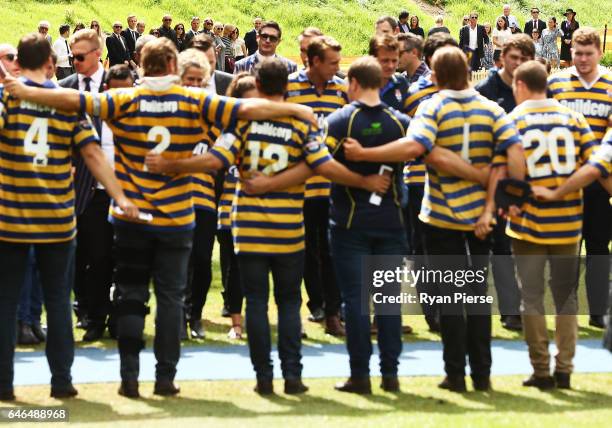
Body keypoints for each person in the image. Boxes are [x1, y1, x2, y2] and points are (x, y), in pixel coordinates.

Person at [6, 37, 321, 399]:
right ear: (173, 65)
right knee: (171, 300)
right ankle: (165, 378)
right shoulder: (194, 98)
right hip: (175, 216)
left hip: (131, 216)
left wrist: (23, 89)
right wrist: (296, 111)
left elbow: (74, 99)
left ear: (141, 62)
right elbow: (245, 111)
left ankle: (128, 380)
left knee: (130, 295)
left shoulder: (123, 98)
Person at [143, 57, 391, 396]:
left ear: (257, 85)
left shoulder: (243, 124)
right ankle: (293, 376)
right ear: (286, 86)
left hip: (248, 226)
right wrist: (363, 182)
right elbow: (323, 165)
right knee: (289, 302)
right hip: (288, 227)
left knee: (256, 304)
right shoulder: (301, 124)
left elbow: (214, 160)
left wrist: (171, 165)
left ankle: (263, 378)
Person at [342, 47, 524, 393]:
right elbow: (515, 155)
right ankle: (482, 374)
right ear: (468, 70)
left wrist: (366, 154)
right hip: (481, 218)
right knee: (477, 295)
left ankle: (455, 374)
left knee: (452, 299)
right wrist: (503, 200)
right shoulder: (493, 110)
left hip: (442, 216)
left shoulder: (433, 107)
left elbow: (414, 147)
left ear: (436, 77)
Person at [0, 33, 138, 402]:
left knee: (6, 301)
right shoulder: (66, 103)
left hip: (11, 217)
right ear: (50, 60)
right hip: (57, 218)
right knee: (59, 302)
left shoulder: (9, 99)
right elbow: (92, 154)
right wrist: (121, 196)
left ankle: (4, 385)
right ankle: (61, 381)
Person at [507, 60, 603, 390]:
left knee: (530, 297)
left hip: (528, 221)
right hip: (568, 221)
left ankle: (541, 369)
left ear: (520, 85)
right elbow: (594, 165)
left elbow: (505, 171)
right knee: (566, 298)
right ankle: (565, 368)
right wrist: (563, 189)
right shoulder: (574, 118)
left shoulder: (513, 120)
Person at [548, 28, 612, 328]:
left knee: (598, 247)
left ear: (599, 52)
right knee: (565, 248)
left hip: (599, 182)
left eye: (589, 53)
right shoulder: (556, 83)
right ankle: (565, 306)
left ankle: (598, 310)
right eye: (578, 53)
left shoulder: (611, 85)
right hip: (564, 180)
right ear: (570, 52)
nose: (583, 59)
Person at [285, 36, 348, 336]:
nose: (338, 67)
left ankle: (334, 312)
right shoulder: (289, 87)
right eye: (333, 62)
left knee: (333, 251)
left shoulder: (342, 90)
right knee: (305, 251)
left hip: (334, 186)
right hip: (298, 187)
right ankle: (315, 306)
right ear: (314, 61)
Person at [475, 34, 535, 331]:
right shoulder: (485, 90)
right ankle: (487, 311)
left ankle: (514, 309)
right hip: (488, 182)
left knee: (515, 250)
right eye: (515, 58)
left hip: (525, 183)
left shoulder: (538, 91)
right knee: (487, 250)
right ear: (502, 58)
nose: (519, 64)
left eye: (525, 59)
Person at [402, 33, 460, 333]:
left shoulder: (464, 92)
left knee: (444, 251)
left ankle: (448, 308)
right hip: (420, 180)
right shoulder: (414, 94)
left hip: (451, 180)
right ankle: (433, 310)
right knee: (425, 251)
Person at [216, 73, 258, 339]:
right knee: (234, 271)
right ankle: (236, 323)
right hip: (229, 212)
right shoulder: (224, 132)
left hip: (260, 214)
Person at [369, 35, 409, 112]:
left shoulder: (402, 83)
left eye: (394, 61)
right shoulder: (360, 84)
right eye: (385, 61)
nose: (391, 66)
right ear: (373, 58)